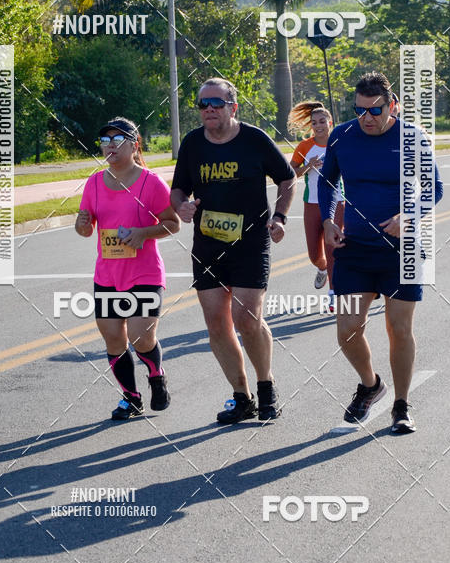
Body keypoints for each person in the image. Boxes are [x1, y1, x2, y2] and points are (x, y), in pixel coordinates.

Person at [319, 72, 443, 434]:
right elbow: (329, 182)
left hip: (402, 250)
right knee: (347, 329)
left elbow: (433, 188)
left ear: (392, 106)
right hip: (354, 248)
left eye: (374, 111)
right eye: (359, 110)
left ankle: (401, 406)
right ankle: (371, 385)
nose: (366, 118)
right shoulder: (342, 135)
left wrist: (409, 215)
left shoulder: (412, 138)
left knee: (398, 329)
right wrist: (328, 221)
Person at [171, 78, 296, 424]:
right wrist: (181, 207)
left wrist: (280, 217)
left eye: (216, 103)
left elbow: (287, 179)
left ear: (233, 107)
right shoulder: (193, 144)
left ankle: (266, 386)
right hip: (208, 245)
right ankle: (242, 396)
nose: (209, 109)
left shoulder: (254, 140)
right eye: (202, 104)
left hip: (251, 242)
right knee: (216, 324)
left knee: (247, 319)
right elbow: (178, 189)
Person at [76, 117, 180, 420]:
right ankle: (131, 399)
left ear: (135, 145)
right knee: (113, 338)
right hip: (107, 274)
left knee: (140, 337)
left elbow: (173, 223)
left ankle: (156, 375)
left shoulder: (150, 182)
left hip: (144, 273)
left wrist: (143, 233)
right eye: (105, 140)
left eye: (117, 139)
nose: (110, 145)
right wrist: (81, 224)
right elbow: (86, 227)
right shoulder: (94, 182)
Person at [289, 101, 344, 311]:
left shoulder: (339, 142)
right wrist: (308, 166)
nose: (318, 125)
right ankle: (322, 269)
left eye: (322, 121)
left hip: (337, 202)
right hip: (311, 204)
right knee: (315, 255)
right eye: (314, 123)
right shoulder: (305, 147)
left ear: (330, 122)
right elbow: (290, 174)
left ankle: (333, 293)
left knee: (333, 251)